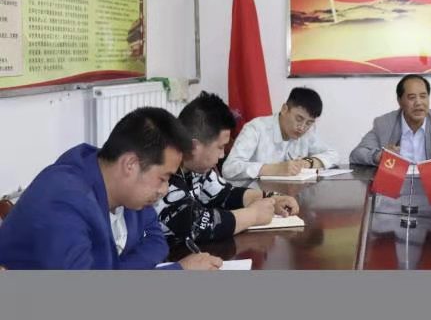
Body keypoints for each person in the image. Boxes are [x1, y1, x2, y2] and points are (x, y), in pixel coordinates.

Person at [0, 107, 221, 270]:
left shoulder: (126, 190)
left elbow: (156, 241)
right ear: (130, 164)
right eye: (163, 178)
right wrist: (179, 271)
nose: (164, 190)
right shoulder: (63, 200)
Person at [154, 92, 300, 249]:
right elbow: (198, 226)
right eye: (220, 147)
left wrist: (269, 199)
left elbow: (224, 194)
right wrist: (254, 215)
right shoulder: (163, 173)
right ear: (193, 146)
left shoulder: (196, 167)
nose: (222, 155)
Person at [349, 74, 431, 166]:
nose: (418, 103)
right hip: (396, 188)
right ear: (400, 101)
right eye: (411, 97)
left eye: (423, 96)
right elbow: (356, 154)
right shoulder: (384, 124)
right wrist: (379, 156)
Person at [222, 87, 339, 180]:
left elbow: (333, 155)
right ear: (284, 109)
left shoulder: (308, 133)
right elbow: (229, 168)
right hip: (254, 197)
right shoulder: (256, 128)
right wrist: (273, 169)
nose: (302, 127)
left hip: (290, 195)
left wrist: (308, 163)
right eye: (299, 119)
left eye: (309, 123)